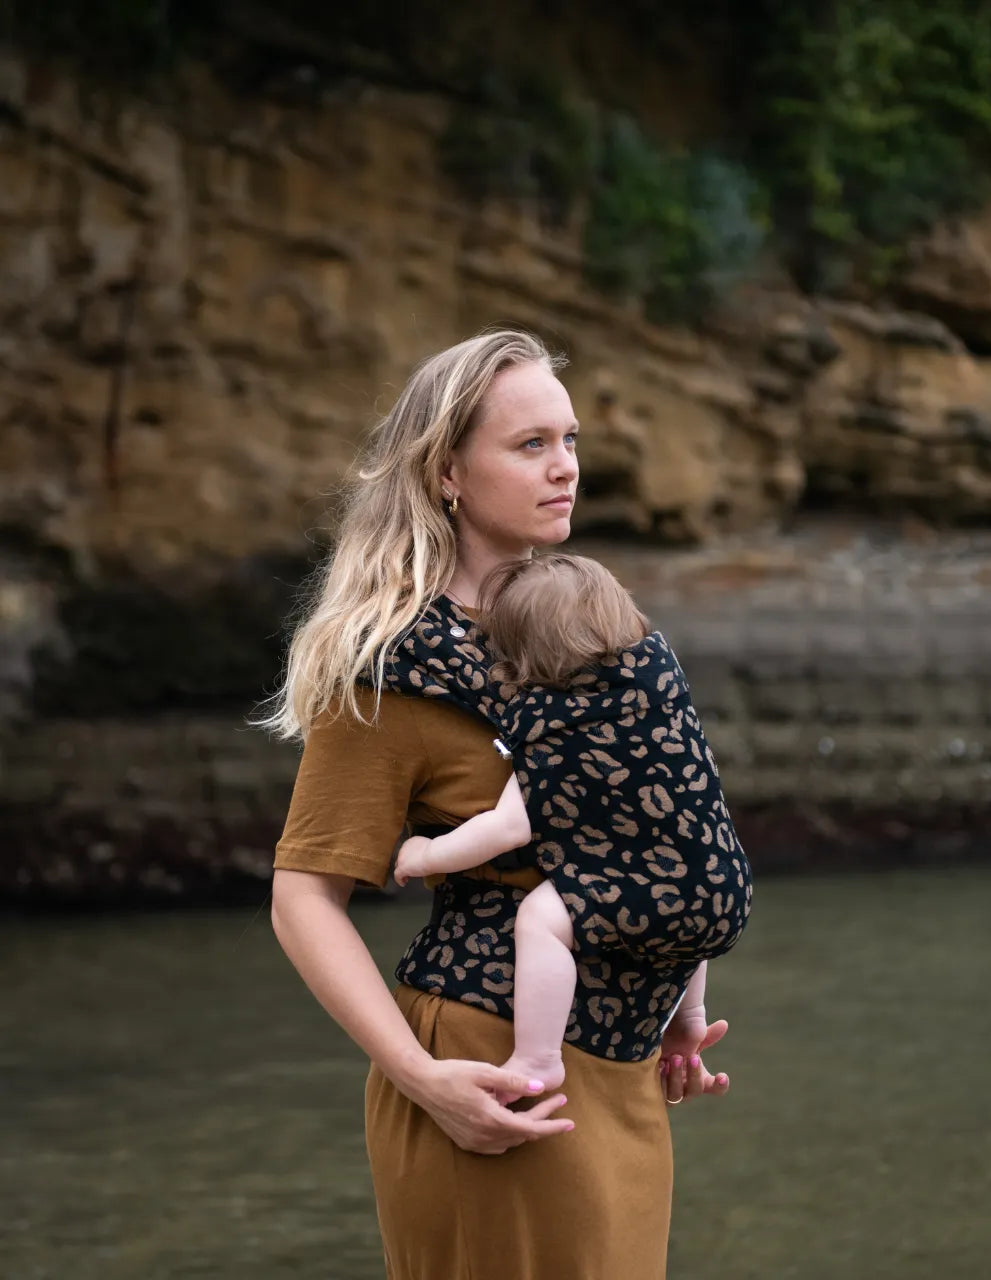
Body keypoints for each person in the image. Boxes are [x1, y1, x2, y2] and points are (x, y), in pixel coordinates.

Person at [267, 329, 737, 1280]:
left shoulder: (583, 628)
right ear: (447, 472)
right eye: (530, 445)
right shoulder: (393, 666)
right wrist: (423, 1079)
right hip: (490, 1075)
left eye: (569, 441)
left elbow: (663, 832)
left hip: (617, 1066)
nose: (565, 468)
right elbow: (302, 900)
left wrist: (679, 1004)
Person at [391, 552, 752, 1098]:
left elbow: (509, 827)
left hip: (655, 896)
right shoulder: (658, 685)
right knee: (684, 874)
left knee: (541, 918)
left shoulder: (552, 725)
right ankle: (689, 1015)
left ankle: (537, 1057)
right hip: (725, 888)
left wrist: (424, 856)